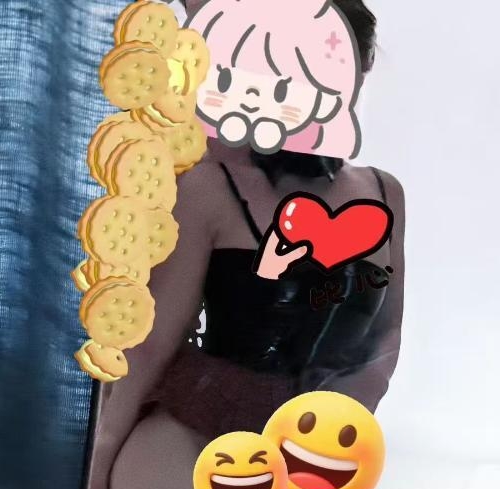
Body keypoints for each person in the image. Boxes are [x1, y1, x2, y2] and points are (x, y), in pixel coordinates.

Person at [85, 1, 405, 488]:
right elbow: (151, 347)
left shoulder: (384, 193)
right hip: (190, 435)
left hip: (308, 443)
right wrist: (99, 457)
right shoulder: (211, 185)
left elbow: (382, 345)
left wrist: (325, 442)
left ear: (362, 67)